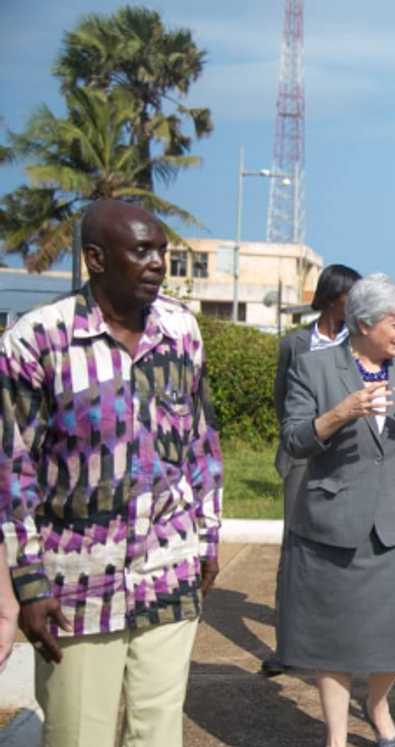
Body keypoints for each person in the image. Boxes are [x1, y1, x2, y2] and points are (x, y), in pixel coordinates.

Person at [0, 199, 223, 746]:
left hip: (169, 573)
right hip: (76, 587)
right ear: (96, 258)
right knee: (80, 735)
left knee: (158, 735)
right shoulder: (37, 342)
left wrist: (207, 538)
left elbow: (201, 444)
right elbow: (13, 473)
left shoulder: (181, 331)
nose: (157, 264)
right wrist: (27, 584)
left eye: (162, 252)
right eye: (142, 251)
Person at [278, 273, 395, 747]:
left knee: (387, 636)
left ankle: (377, 705)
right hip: (333, 522)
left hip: (392, 525)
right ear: (365, 322)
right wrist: (339, 414)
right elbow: (294, 439)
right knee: (331, 635)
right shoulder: (313, 368)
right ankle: (336, 734)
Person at [262, 263, 361, 677]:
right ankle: (287, 647)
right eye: (350, 296)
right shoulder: (295, 343)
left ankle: (342, 646)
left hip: (347, 456)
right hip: (304, 454)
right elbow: (282, 398)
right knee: (295, 550)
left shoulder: (357, 341)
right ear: (332, 296)